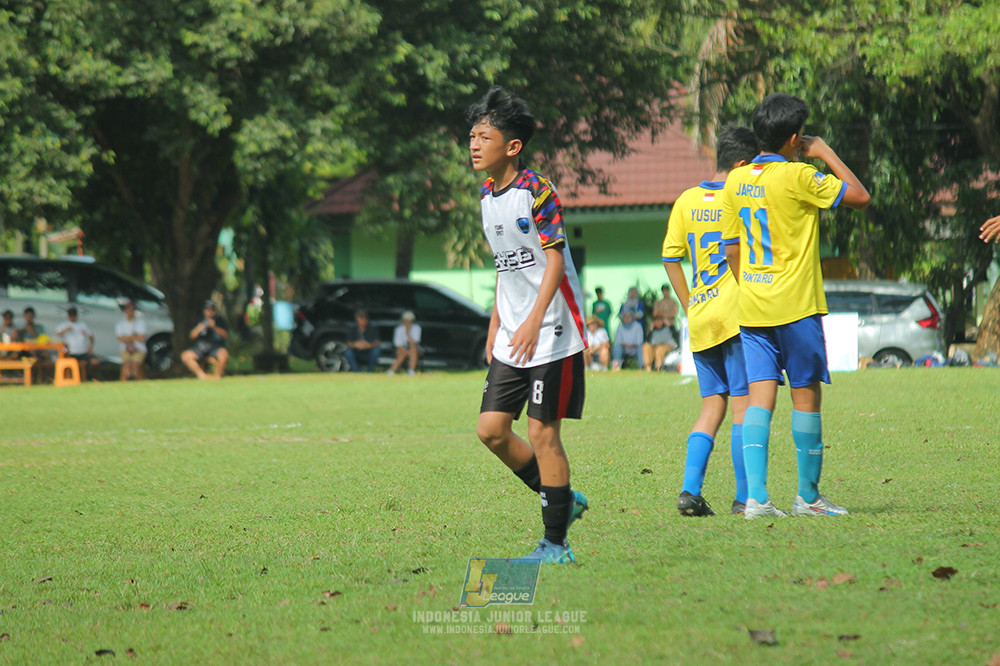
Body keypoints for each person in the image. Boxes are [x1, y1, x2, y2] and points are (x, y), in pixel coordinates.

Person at [722, 93, 870, 520]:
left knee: (758, 401)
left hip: (753, 309)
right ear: (793, 139)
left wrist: (750, 287)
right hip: (797, 308)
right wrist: (823, 150)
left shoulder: (736, 180)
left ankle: (756, 499)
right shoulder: (801, 176)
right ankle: (808, 497)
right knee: (806, 398)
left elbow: (732, 248)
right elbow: (860, 196)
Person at [467, 85, 588, 564]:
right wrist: (497, 325)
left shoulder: (536, 190)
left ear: (512, 146)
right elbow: (505, 266)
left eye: (483, 136)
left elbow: (554, 262)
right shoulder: (486, 195)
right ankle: (563, 499)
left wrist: (534, 320)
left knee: (543, 433)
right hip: (514, 332)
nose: (474, 144)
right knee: (491, 430)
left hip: (554, 329)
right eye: (471, 136)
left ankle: (555, 544)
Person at [661, 125, 759, 516]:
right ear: (740, 164)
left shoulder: (686, 201)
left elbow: (670, 257)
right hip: (735, 315)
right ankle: (744, 497)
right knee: (742, 407)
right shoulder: (739, 198)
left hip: (701, 318)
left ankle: (690, 490)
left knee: (710, 407)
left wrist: (689, 305)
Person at [181, 300, 230, 379]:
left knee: (224, 354)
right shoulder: (198, 320)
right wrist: (200, 328)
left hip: (215, 347)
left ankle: (217, 376)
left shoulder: (220, 320)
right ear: (204, 310)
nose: (210, 312)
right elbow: (191, 336)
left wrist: (214, 327)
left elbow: (225, 335)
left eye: (212, 309)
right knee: (186, 356)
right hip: (200, 347)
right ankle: (202, 376)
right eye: (208, 309)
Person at [55, 306, 100, 382]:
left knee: (95, 362)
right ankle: (69, 379)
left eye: (74, 315)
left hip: (83, 352)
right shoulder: (64, 325)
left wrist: (90, 347)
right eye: (71, 315)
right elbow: (56, 335)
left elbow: (91, 337)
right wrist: (66, 330)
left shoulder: (83, 325)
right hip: (70, 353)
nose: (72, 317)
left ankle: (90, 377)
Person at [115, 299, 147, 381]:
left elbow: (142, 337)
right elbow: (120, 338)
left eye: (132, 309)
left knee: (135, 363)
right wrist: (134, 336)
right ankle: (128, 378)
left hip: (139, 349)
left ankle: (135, 378)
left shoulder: (141, 323)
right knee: (127, 362)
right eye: (128, 309)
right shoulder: (120, 324)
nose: (130, 311)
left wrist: (127, 337)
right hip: (125, 349)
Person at [387, 311, 421, 376]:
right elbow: (397, 344)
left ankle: (411, 370)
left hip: (414, 348)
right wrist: (405, 351)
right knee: (403, 353)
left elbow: (415, 343)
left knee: (413, 350)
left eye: (409, 321)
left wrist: (408, 334)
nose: (407, 323)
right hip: (402, 349)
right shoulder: (398, 329)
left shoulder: (417, 328)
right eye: (406, 321)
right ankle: (392, 370)